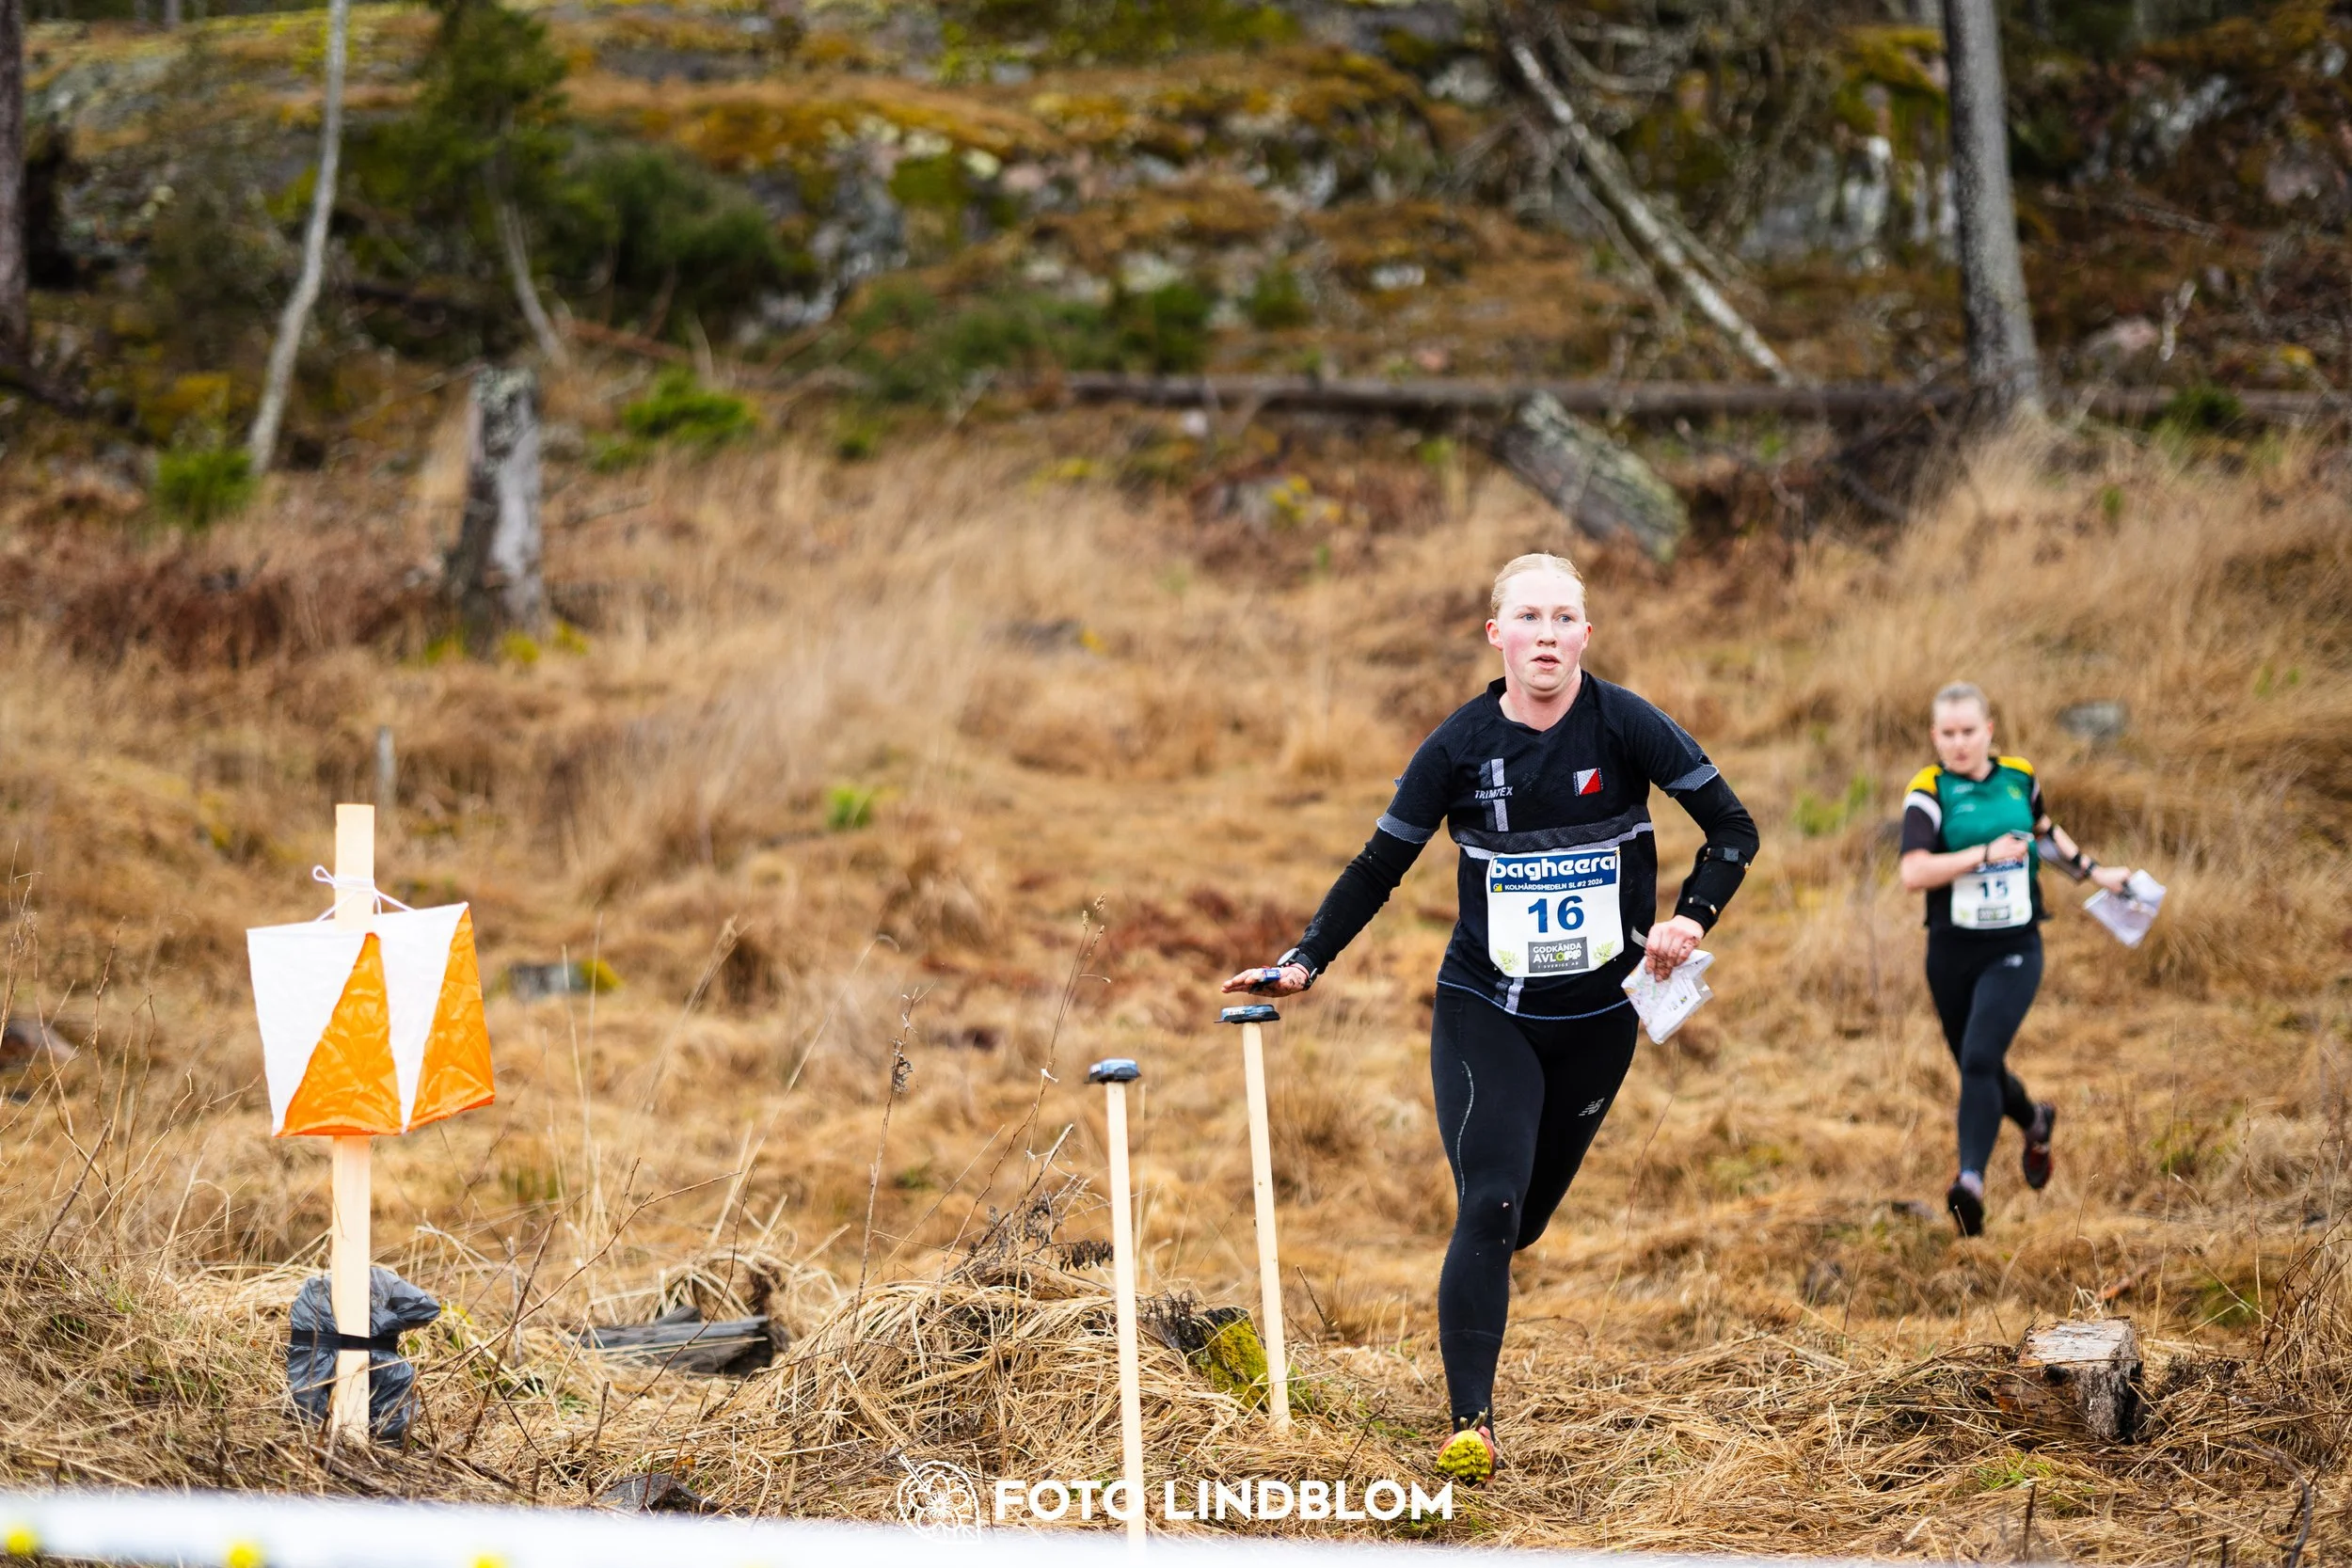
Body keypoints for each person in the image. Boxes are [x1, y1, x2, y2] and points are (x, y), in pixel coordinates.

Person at [1220, 552, 1758, 1485]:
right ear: (1496, 635)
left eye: (1562, 619)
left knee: (1527, 1220)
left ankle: (1488, 1304)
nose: (1545, 636)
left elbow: (1733, 829)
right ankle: (1470, 1423)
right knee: (1491, 1197)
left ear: (1584, 635)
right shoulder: (1458, 745)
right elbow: (1377, 865)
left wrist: (1687, 917)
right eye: (1528, 619)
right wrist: (1305, 957)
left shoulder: (1624, 723)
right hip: (1486, 1006)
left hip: (1600, 1014)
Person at [1898, 682, 2139, 1238]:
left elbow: (2044, 833)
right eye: (1948, 733)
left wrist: (2097, 873)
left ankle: (1969, 1186)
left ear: (1989, 731)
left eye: (1969, 731)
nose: (1959, 743)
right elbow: (1913, 874)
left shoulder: (2018, 777)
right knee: (1975, 1066)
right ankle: (2035, 1121)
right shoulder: (1928, 790)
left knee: (1980, 1058)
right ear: (1936, 737)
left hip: (2015, 947)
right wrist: (1983, 853)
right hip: (1951, 951)